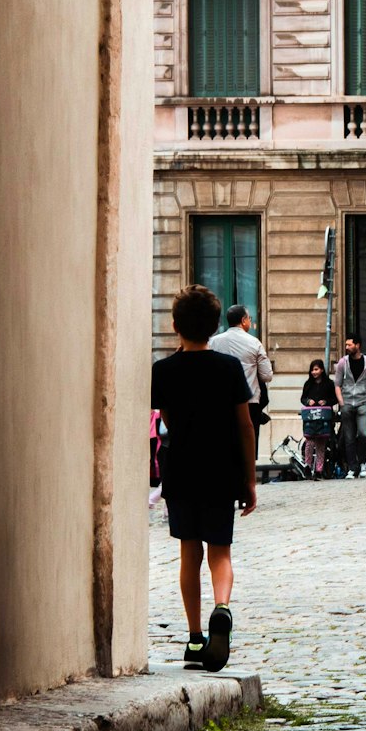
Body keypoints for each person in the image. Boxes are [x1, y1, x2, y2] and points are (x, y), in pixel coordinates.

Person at [151, 285, 257, 673]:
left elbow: (158, 418)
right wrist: (249, 479)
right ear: (215, 326)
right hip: (221, 468)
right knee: (221, 551)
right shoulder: (228, 368)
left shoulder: (162, 371)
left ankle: (195, 638)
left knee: (188, 553)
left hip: (180, 467)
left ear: (175, 325)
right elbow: (244, 426)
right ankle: (223, 608)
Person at [209, 304, 273, 456]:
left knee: (225, 447)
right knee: (248, 446)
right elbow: (266, 376)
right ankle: (247, 478)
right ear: (244, 320)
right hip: (249, 403)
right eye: (249, 318)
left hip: (221, 403)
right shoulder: (254, 342)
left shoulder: (213, 342)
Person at [333, 332, 366, 479]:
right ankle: (352, 467)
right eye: (346, 345)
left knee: (364, 434)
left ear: (357, 345)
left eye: (349, 344)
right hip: (346, 403)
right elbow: (337, 384)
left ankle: (363, 462)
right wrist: (341, 402)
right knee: (349, 436)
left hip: (363, 402)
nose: (347, 347)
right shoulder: (342, 363)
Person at [300, 358, 338, 478]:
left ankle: (319, 470)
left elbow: (335, 399)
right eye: (312, 370)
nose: (314, 372)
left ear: (321, 370)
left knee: (321, 443)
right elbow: (302, 398)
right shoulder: (308, 384)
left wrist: (326, 402)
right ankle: (307, 465)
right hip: (311, 418)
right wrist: (307, 401)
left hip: (324, 417)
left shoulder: (329, 384)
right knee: (309, 442)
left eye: (316, 369)